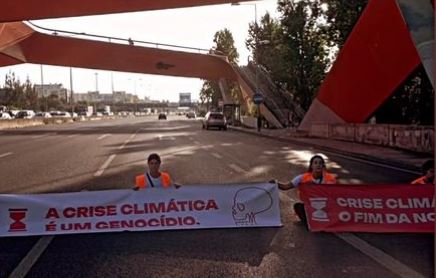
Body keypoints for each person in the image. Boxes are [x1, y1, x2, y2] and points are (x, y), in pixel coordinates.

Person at [272, 155, 337, 224]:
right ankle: (308, 222)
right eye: (315, 163)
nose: (318, 165)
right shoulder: (302, 177)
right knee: (298, 207)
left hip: (325, 206)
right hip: (309, 206)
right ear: (311, 166)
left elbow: (337, 194)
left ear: (323, 166)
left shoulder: (330, 178)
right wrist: (276, 183)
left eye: (320, 163)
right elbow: (286, 187)